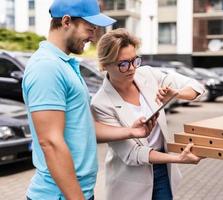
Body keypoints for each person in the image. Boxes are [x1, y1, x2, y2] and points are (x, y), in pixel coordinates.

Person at [22, 1, 154, 199]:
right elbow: (50, 142)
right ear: (66, 21)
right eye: (89, 29)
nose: (93, 37)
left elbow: (82, 126)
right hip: (59, 195)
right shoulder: (46, 67)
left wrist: (131, 131)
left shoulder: (64, 65)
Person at [91, 28, 206, 200]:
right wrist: (179, 158)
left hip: (163, 169)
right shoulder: (101, 103)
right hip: (130, 180)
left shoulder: (148, 74)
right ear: (105, 65)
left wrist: (177, 94)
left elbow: (196, 86)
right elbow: (132, 154)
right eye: (123, 64)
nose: (131, 69)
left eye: (134, 60)